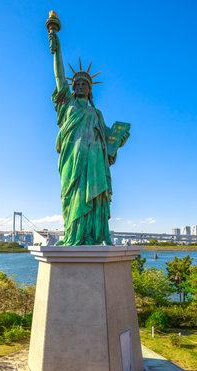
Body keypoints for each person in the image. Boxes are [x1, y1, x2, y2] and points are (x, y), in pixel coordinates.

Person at [49, 30, 130, 246]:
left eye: (85, 83)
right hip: (72, 159)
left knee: (94, 199)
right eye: (77, 84)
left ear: (90, 89)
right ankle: (73, 236)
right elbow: (59, 76)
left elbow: (108, 145)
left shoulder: (96, 114)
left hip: (93, 162)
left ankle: (93, 235)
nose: (80, 86)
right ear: (72, 89)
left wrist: (119, 139)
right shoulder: (67, 105)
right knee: (71, 198)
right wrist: (56, 43)